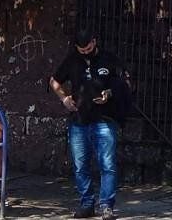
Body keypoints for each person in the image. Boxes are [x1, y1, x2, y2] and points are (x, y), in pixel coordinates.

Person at [49, 28, 129, 220]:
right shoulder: (72, 60)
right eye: (81, 49)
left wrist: (109, 94)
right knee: (80, 165)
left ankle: (106, 206)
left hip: (104, 120)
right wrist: (64, 99)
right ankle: (87, 203)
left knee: (107, 164)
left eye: (88, 48)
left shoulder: (109, 59)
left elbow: (124, 82)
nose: (85, 52)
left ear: (94, 42)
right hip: (79, 120)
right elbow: (54, 81)